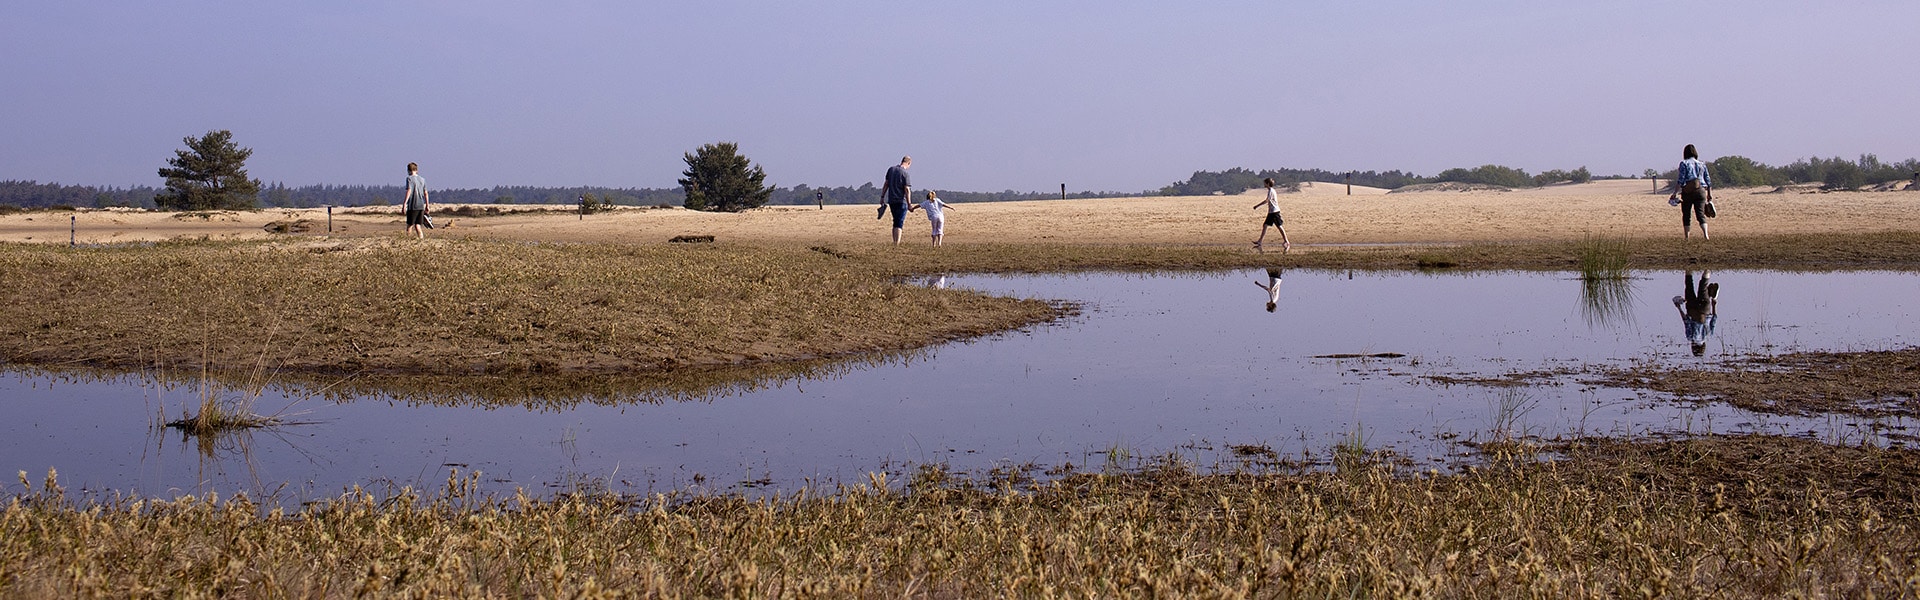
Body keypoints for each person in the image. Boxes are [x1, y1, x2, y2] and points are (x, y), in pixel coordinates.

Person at [1669, 144, 1713, 240]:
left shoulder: (1684, 163)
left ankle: (1687, 237)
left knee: (1686, 214)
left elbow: (1681, 180)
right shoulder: (1702, 164)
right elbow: (1708, 181)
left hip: (1688, 191)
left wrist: (1675, 193)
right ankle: (1706, 235)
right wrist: (1709, 194)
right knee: (1700, 213)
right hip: (1701, 190)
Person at [1672, 270, 1719, 356]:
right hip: (1692, 310)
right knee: (1689, 287)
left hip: (1705, 311)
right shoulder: (1690, 337)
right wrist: (1679, 308)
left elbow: (1714, 319)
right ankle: (1689, 269)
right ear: (1693, 347)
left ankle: (1707, 271)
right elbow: (1686, 321)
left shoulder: (1708, 335)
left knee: (1703, 287)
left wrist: (1714, 304)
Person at [876, 156, 912, 245]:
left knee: (895, 221)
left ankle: (894, 241)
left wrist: (882, 196)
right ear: (909, 163)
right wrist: (909, 203)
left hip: (891, 200)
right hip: (901, 201)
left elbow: (886, 184)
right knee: (899, 222)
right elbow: (907, 190)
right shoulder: (905, 173)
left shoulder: (891, 170)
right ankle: (897, 243)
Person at [1253, 177, 1291, 250]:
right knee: (1265, 225)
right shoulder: (1270, 191)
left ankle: (1286, 241)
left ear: (1267, 184)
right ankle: (1260, 241)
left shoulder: (1271, 191)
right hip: (1271, 212)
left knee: (1279, 226)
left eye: (1265, 183)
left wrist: (1257, 206)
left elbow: (1267, 200)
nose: (1264, 184)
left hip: (1274, 212)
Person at [402, 162, 429, 240]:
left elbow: (409, 191)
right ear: (416, 170)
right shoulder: (422, 179)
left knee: (410, 225)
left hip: (413, 205)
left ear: (408, 170)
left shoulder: (409, 178)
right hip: (421, 205)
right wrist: (427, 205)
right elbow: (426, 193)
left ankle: (408, 240)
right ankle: (421, 240)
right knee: (418, 225)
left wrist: (404, 204)